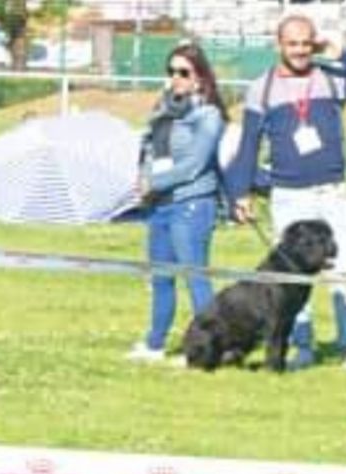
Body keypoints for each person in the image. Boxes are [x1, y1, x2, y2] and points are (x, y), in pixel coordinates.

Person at [225, 13, 346, 369]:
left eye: (307, 43)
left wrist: (336, 50)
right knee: (292, 278)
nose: (300, 51)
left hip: (332, 191)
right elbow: (248, 144)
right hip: (289, 195)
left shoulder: (330, 78)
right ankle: (302, 347)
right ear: (279, 45)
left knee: (343, 272)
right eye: (292, 44)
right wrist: (240, 193)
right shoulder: (261, 88)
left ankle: (344, 345)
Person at [127, 42, 227, 363]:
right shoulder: (162, 110)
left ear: (200, 77)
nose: (176, 78)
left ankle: (205, 349)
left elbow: (195, 164)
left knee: (194, 278)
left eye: (183, 72)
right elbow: (149, 150)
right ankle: (154, 344)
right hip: (160, 205)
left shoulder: (208, 116)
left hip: (192, 204)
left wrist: (152, 182)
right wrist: (143, 180)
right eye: (171, 72)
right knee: (161, 278)